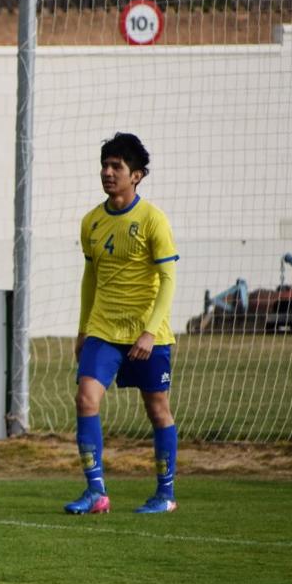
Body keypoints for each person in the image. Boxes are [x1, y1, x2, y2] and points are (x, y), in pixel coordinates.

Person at [65, 133, 180, 515]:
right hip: (103, 330)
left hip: (148, 334)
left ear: (138, 175)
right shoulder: (91, 222)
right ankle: (96, 492)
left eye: (117, 167)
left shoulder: (153, 220)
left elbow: (168, 280)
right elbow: (90, 279)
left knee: (157, 409)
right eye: (105, 165)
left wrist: (149, 331)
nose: (108, 172)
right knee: (85, 398)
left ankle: (165, 494)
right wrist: (83, 329)